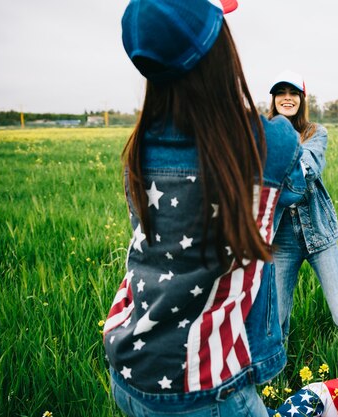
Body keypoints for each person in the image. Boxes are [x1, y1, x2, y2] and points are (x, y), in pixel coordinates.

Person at [102, 1, 307, 416]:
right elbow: (294, 188)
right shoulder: (272, 144)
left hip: (128, 368)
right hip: (202, 387)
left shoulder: (138, 149)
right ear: (221, 51)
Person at [268, 70, 338, 387]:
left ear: (301, 99)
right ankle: (274, 388)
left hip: (319, 234)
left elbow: (308, 169)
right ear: (273, 100)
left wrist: (274, 155)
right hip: (282, 240)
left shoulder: (316, 133)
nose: (286, 97)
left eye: (293, 92)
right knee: (277, 319)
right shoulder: (263, 137)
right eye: (280, 93)